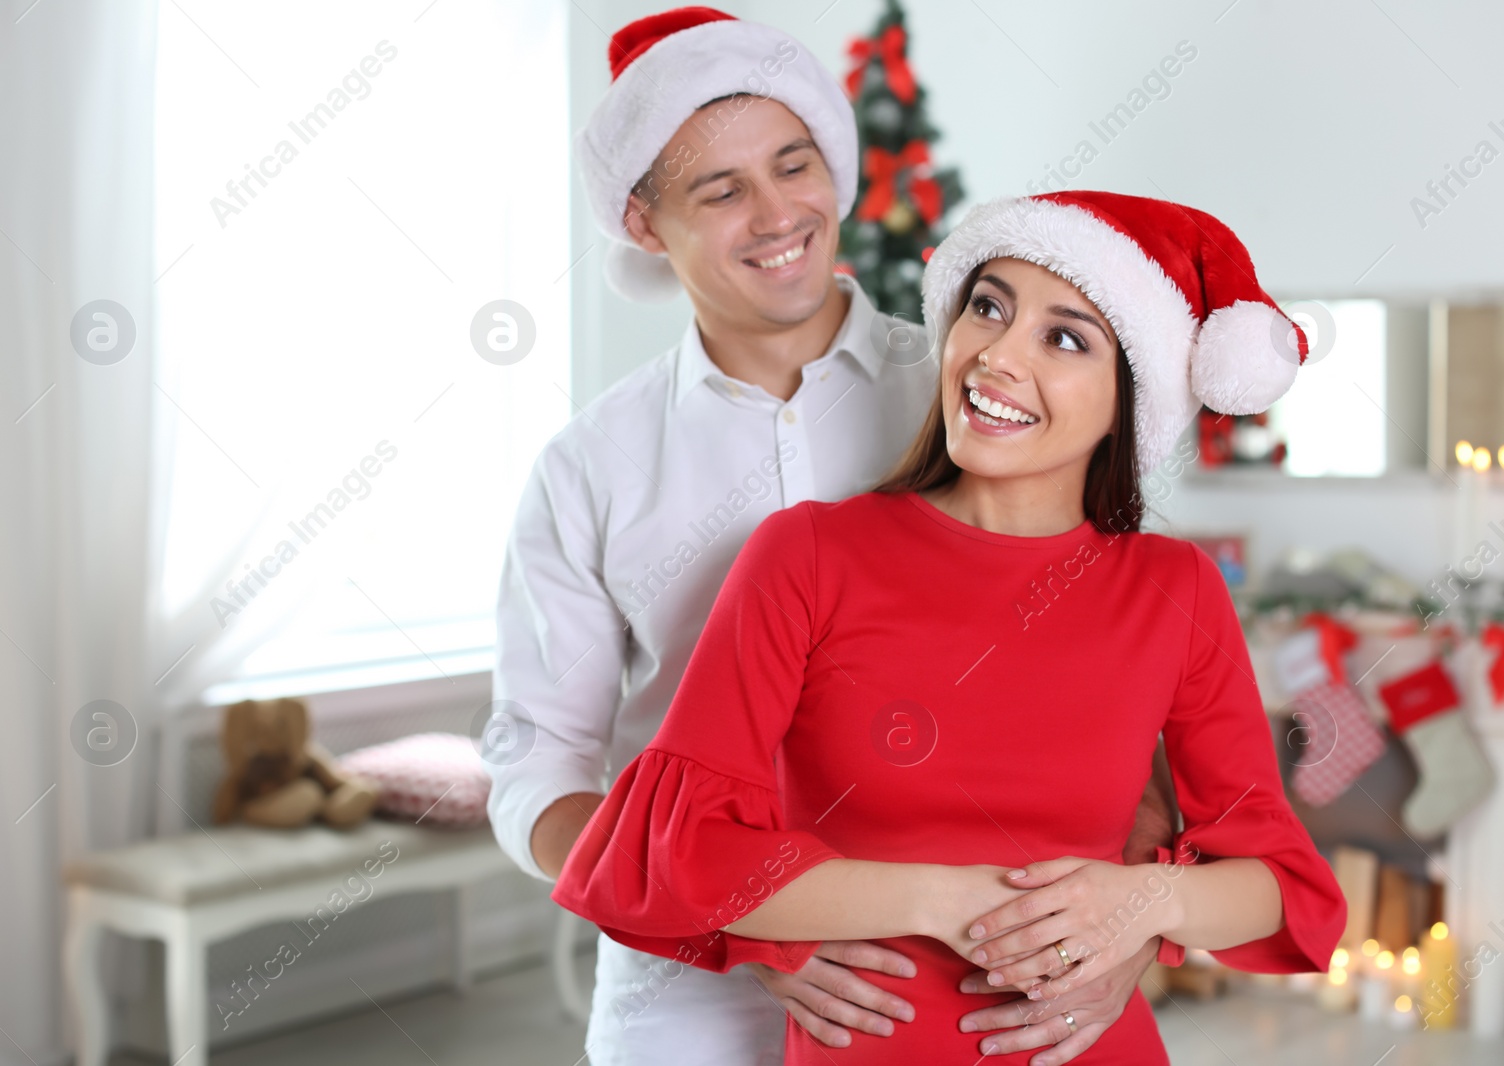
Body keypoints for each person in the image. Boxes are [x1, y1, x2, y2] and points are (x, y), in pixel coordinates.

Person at [487, 8, 1173, 1065]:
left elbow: (1128, 661)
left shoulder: (970, 395)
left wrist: (1134, 921)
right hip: (685, 993)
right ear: (642, 222)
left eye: (793, 164)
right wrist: (741, 917)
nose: (776, 214)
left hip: (976, 973)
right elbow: (540, 765)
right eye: (719, 190)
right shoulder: (591, 466)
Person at [550, 190, 1351, 1063]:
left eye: (1065, 337)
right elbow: (674, 858)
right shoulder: (808, 556)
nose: (998, 356)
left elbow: (1281, 886)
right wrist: (936, 900)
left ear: (1131, 398)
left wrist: (1144, 908)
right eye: (988, 307)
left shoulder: (1177, 587)